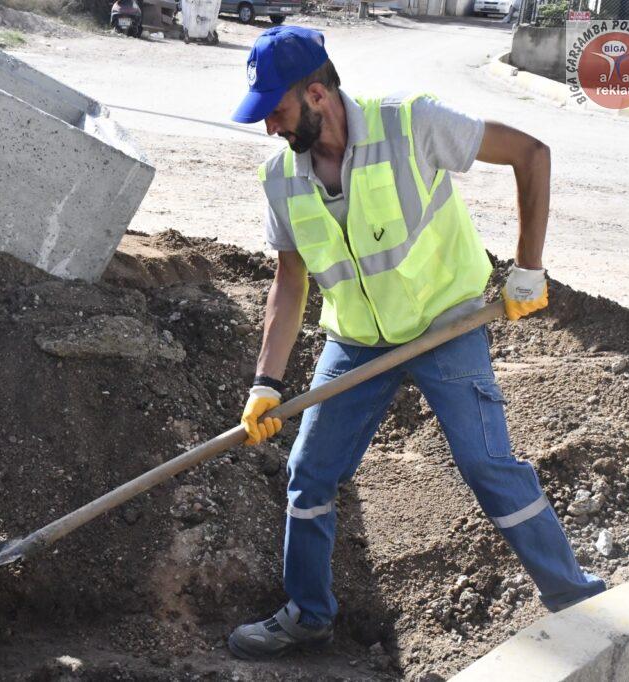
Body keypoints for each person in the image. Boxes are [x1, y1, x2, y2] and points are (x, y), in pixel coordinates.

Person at [226, 26, 605, 660]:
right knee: (308, 474)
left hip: (445, 321)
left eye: (277, 112)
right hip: (358, 340)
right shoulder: (281, 179)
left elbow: (532, 153)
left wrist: (529, 267)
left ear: (317, 93)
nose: (270, 129)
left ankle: (577, 601)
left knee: (487, 464)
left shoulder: (411, 124)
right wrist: (266, 382)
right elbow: (289, 282)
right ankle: (309, 615)